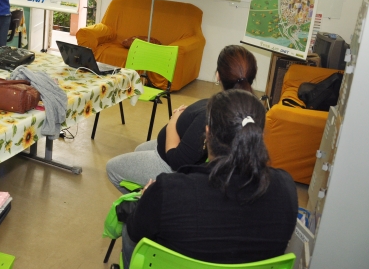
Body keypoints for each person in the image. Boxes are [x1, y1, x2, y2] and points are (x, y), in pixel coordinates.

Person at [121, 89, 298, 268]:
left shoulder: (167, 190)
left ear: (207, 134)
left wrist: (145, 200)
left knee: (128, 231)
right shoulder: (286, 188)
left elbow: (136, 232)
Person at [106, 45, 258, 193]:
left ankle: (148, 205)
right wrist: (186, 117)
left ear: (218, 75)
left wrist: (174, 121)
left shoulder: (211, 114)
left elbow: (177, 161)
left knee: (112, 168)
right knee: (138, 149)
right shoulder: (246, 108)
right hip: (167, 148)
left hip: (168, 163)